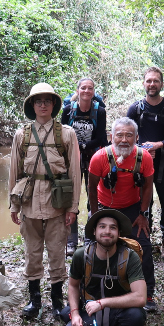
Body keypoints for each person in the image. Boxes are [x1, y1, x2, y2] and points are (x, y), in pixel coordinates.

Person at [11, 83, 82, 319]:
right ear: (32, 105)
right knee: (32, 252)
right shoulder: (22, 135)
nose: (43, 105)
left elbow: (75, 173)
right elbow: (14, 171)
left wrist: (73, 208)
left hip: (57, 202)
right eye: (38, 101)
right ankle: (34, 300)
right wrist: (14, 205)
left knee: (57, 252)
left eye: (47, 100)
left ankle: (57, 301)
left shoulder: (67, 134)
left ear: (53, 105)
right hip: (30, 201)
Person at [50, 210, 147, 326]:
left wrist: (103, 303)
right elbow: (73, 286)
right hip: (89, 314)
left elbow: (140, 297)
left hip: (118, 314)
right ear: (94, 232)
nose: (107, 231)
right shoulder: (82, 255)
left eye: (112, 227)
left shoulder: (129, 257)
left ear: (119, 233)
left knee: (136, 315)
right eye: (102, 227)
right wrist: (74, 314)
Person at [88, 117, 157, 310]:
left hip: (133, 207)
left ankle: (148, 294)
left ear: (136, 137)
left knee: (142, 244)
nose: (124, 139)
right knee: (98, 245)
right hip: (105, 206)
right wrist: (96, 218)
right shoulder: (99, 157)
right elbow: (91, 189)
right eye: (119, 135)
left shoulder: (144, 157)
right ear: (111, 137)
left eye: (129, 135)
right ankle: (95, 290)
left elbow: (148, 188)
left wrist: (143, 214)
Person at [127, 67, 164, 260]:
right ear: (143, 83)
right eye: (149, 81)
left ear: (161, 84)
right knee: (143, 203)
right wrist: (141, 149)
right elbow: (126, 136)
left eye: (156, 81)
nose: (152, 84)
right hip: (141, 163)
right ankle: (144, 239)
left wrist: (159, 145)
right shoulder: (135, 109)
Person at [61, 77, 108, 254]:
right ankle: (71, 241)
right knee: (71, 196)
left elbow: (102, 138)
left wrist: (82, 146)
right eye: (83, 88)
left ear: (94, 92)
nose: (87, 91)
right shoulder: (68, 110)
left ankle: (90, 237)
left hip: (92, 158)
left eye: (90, 88)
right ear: (78, 90)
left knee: (93, 196)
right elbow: (62, 135)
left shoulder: (100, 112)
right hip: (71, 158)